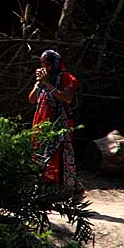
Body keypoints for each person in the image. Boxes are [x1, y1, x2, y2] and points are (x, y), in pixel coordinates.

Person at [29, 49, 80, 189]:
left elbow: (67, 98)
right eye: (42, 64)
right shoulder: (43, 81)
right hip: (41, 124)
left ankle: (67, 188)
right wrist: (38, 83)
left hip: (60, 124)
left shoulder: (66, 78)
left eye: (48, 65)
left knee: (59, 156)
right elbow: (32, 100)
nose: (45, 68)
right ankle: (44, 188)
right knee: (40, 156)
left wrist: (48, 84)